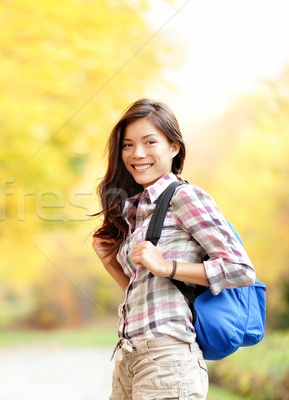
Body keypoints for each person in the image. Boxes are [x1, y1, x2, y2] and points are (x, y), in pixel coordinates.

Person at [92, 99, 256, 399]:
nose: (137, 154)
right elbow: (148, 292)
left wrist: (168, 267)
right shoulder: (138, 211)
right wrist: (111, 263)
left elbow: (240, 269)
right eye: (127, 145)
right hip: (130, 358)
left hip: (168, 359)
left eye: (149, 142)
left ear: (174, 147)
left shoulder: (185, 197)